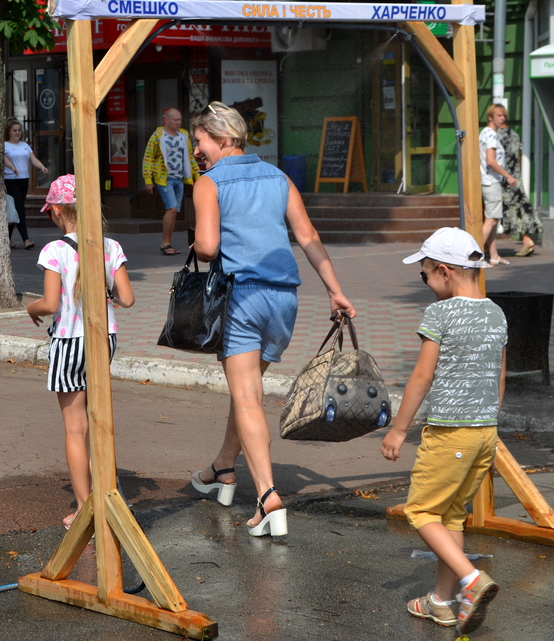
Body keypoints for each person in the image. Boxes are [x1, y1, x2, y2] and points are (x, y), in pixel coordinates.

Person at [189, 102, 355, 537]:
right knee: (247, 391)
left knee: (246, 397)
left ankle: (266, 497)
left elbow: (206, 249)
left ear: (223, 140)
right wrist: (335, 291)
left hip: (241, 295)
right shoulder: (278, 177)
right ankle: (224, 468)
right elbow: (308, 236)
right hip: (285, 299)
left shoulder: (208, 183)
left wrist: (196, 240)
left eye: (200, 142)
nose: (197, 151)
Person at [381, 227, 507, 635]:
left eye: (424, 275)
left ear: (444, 271)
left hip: (450, 433)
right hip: (484, 432)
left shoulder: (440, 314)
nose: (425, 283)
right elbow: (500, 376)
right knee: (452, 513)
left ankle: (471, 580)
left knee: (420, 510)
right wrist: (490, 419)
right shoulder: (497, 312)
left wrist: (399, 430)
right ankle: (440, 601)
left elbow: (422, 375)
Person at [26, 174, 135, 529]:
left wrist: (32, 309)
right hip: (105, 338)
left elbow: (51, 303)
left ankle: (84, 507)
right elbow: (128, 299)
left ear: (57, 210)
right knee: (99, 418)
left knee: (76, 429)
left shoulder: (54, 251)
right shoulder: (111, 246)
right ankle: (108, 493)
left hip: (70, 341)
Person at [142, 108, 201, 255]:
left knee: (174, 212)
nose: (178, 122)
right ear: (166, 120)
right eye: (175, 120)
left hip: (179, 178)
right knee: (172, 208)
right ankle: (165, 243)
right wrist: (148, 179)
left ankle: (167, 242)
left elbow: (189, 157)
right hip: (164, 178)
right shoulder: (158, 136)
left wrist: (197, 177)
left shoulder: (184, 135)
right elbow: (148, 158)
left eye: (180, 120)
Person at [479, 104, 518, 266]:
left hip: (489, 180)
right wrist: (508, 176)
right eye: (499, 115)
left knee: (493, 219)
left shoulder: (486, 133)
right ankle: (474, 255)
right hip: (491, 181)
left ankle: (494, 255)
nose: (502, 118)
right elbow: (491, 160)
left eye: (503, 115)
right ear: (490, 117)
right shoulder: (491, 135)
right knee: (492, 219)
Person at [497, 118, 542, 257]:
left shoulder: (496, 134)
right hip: (515, 176)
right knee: (520, 208)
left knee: (505, 210)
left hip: (503, 177)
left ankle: (526, 240)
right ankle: (526, 239)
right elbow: (518, 157)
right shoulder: (514, 133)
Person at [4, 117, 48, 250]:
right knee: (20, 209)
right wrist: (12, 167)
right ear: (9, 132)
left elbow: (33, 159)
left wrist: (42, 167)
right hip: (11, 180)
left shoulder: (25, 145)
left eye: (19, 130)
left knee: (15, 210)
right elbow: (3, 160)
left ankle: (7, 240)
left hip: (24, 180)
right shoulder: (4, 145)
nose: (17, 133)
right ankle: (26, 239)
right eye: (14, 130)